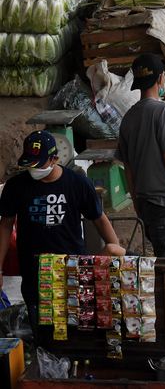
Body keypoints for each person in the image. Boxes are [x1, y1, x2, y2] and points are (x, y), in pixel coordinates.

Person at [0, 131, 124, 320]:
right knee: (41, 325)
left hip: (71, 267)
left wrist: (117, 254)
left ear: (54, 159)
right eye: (29, 165)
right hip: (34, 271)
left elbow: (99, 218)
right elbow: (6, 225)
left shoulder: (77, 183)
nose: (33, 170)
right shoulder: (16, 186)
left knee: (76, 321)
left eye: (38, 165)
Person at [117, 54, 165, 258]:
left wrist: (135, 200)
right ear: (161, 79)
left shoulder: (128, 117)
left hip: (144, 202)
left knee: (161, 258)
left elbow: (128, 167)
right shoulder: (162, 110)